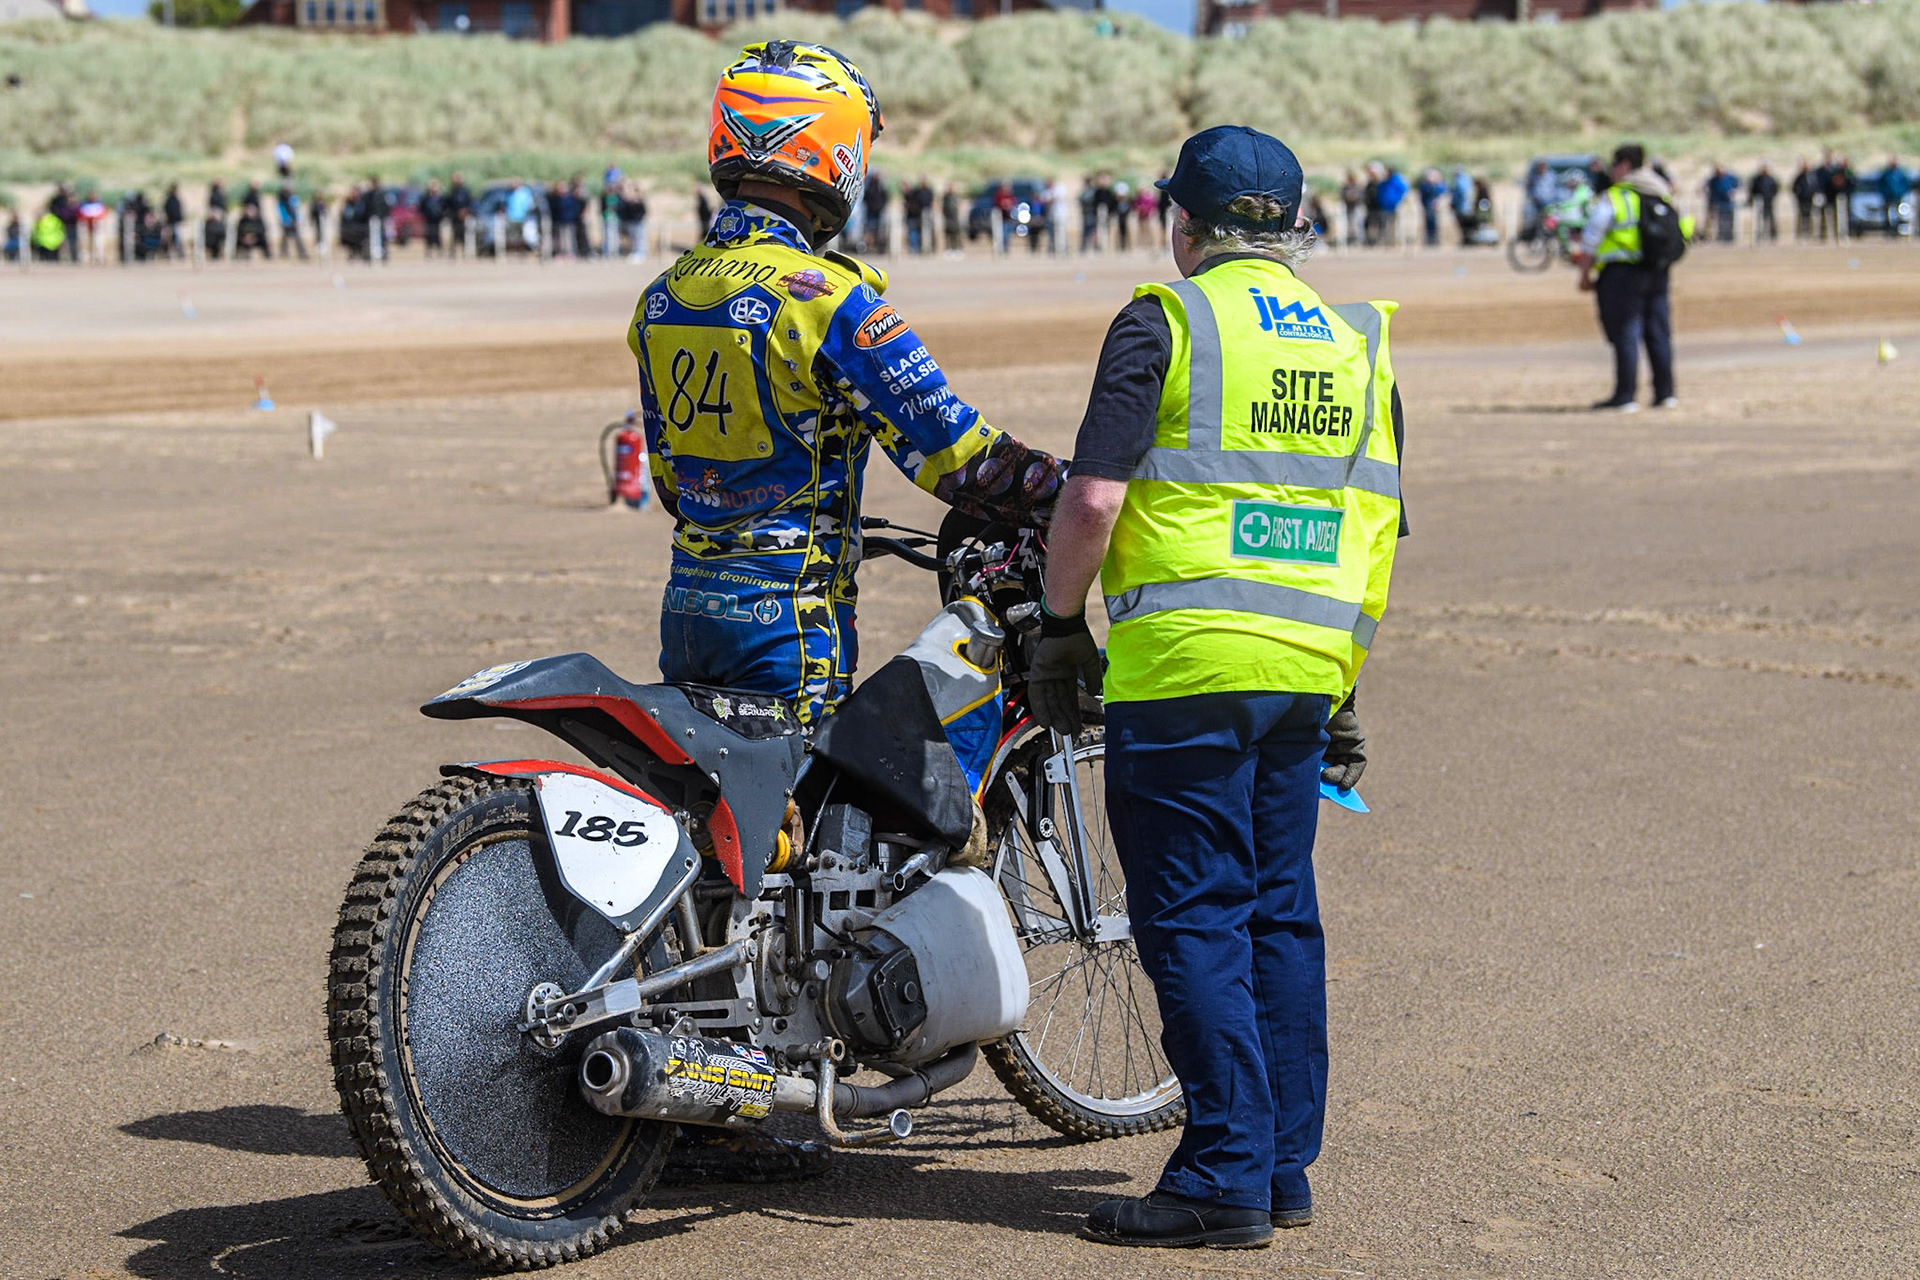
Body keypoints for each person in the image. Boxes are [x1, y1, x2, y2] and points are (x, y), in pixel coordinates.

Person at [1027, 122, 1403, 1250]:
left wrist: (1058, 626)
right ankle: (1282, 1163)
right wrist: (1342, 682)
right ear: (1294, 226)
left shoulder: (1167, 316)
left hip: (1186, 667)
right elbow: (1378, 521)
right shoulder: (1355, 337)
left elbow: (1093, 500)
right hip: (1305, 667)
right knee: (1278, 912)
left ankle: (1225, 1170)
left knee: (1190, 913)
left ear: (1180, 222)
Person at [1575, 144, 1687, 412]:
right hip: (1657, 271)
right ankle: (1666, 394)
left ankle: (1625, 396)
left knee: (1626, 333)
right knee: (1658, 333)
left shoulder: (1616, 197)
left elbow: (1591, 239)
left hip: (1622, 273)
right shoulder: (1660, 192)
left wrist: (1584, 274)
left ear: (1623, 166)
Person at [1704, 164, 1737, 243]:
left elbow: (1737, 185)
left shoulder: (1731, 178)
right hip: (1717, 203)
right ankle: (1720, 235)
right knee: (1719, 221)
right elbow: (1707, 187)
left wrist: (1732, 193)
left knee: (1728, 220)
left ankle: (1729, 236)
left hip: (1728, 203)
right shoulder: (1713, 180)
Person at [617, 181, 648, 262]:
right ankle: (634, 252)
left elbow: (643, 210)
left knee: (639, 238)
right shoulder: (627, 200)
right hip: (630, 222)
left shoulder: (639, 200)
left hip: (638, 222)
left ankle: (640, 253)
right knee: (632, 238)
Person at [1748, 163, 1780, 242]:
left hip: (1769, 201)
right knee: (1758, 219)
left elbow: (1776, 188)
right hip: (1758, 202)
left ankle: (1773, 235)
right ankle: (1758, 235)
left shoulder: (1771, 179)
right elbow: (1752, 190)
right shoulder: (1756, 179)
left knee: (1771, 218)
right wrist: (1753, 198)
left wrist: (1771, 196)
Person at [1416, 167, 1446, 247]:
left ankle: (1435, 240)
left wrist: (1436, 183)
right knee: (1428, 224)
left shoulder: (1439, 185)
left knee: (1435, 225)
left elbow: (1442, 192)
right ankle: (1429, 240)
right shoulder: (1425, 186)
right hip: (1427, 207)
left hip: (1435, 208)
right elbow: (1423, 194)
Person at [277, 184, 308, 260]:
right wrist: (286, 220)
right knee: (286, 239)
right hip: (287, 222)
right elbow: (281, 211)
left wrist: (296, 220)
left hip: (293, 222)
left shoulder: (293, 198)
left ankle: (302, 254)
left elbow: (297, 209)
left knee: (296, 238)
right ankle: (284, 254)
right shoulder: (282, 200)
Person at [447, 172, 473, 256]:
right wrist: (453, 213)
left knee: (464, 235)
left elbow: (470, 202)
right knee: (454, 235)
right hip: (454, 217)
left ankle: (465, 253)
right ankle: (453, 253)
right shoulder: (451, 192)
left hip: (464, 217)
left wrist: (465, 211)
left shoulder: (466, 191)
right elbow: (448, 204)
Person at [418, 179, 446, 257]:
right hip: (428, 219)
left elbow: (445, 207)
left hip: (437, 219)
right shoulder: (426, 198)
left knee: (437, 236)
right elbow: (421, 208)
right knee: (429, 236)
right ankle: (428, 251)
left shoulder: (441, 198)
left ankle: (439, 251)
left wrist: (442, 215)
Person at [163, 183, 185, 259]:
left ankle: (178, 253)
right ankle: (178, 253)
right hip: (173, 221)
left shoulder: (172, 198)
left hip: (174, 221)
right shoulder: (172, 199)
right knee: (175, 238)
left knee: (176, 238)